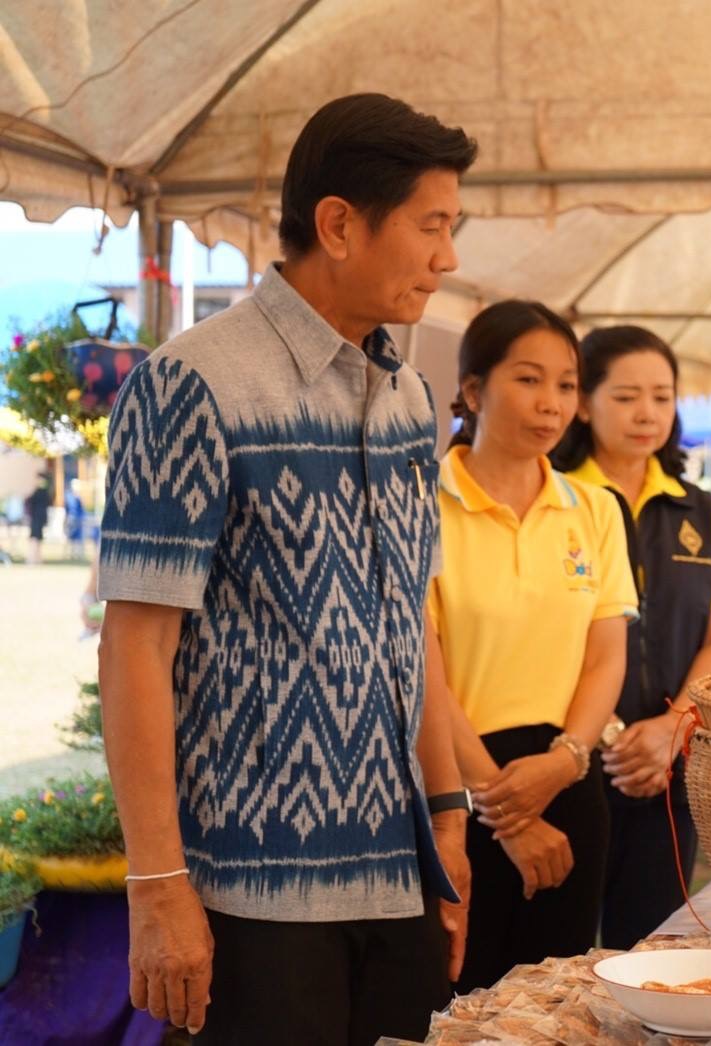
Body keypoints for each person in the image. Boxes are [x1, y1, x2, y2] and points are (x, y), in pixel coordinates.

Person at [96, 93, 477, 1044]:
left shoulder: (409, 396)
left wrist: (448, 819)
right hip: (249, 901)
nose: (449, 258)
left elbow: (409, 627)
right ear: (340, 224)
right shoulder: (193, 383)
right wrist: (157, 886)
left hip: (399, 882)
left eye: (452, 228)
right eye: (432, 226)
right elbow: (138, 642)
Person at [426, 301, 637, 992]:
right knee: (457, 1008)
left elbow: (606, 653)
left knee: (556, 1008)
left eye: (566, 385)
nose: (551, 404)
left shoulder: (597, 509)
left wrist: (567, 759)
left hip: (568, 788)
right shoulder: (421, 503)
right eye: (528, 380)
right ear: (474, 390)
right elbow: (420, 667)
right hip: (454, 794)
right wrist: (499, 806)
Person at [551, 325, 711, 949]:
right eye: (628, 395)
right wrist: (605, 736)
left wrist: (672, 728)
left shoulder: (697, 510)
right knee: (556, 952)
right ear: (584, 402)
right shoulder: (555, 499)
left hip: (667, 766)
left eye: (662, 397)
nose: (647, 414)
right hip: (567, 759)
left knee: (651, 948)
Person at [24, 468, 51, 564]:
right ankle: (32, 558)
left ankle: (36, 558)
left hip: (38, 518)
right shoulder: (41, 491)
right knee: (35, 538)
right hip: (36, 518)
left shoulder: (41, 491)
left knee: (37, 538)